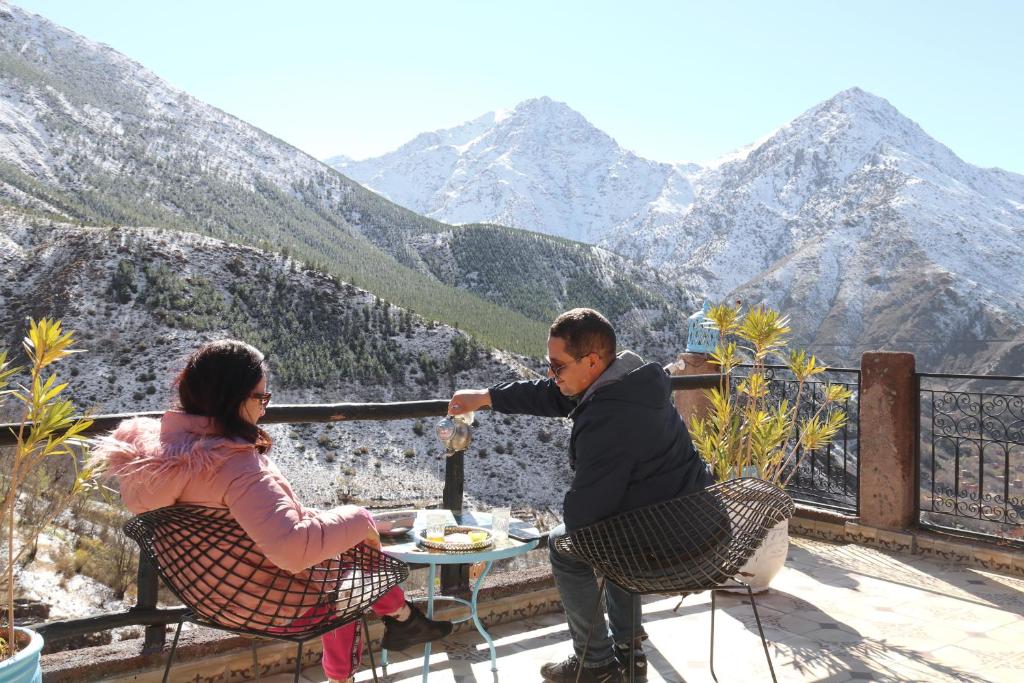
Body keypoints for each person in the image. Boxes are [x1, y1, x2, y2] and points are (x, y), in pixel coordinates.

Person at [92, 339, 451, 683]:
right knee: (348, 567)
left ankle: (405, 618)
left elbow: (248, 525)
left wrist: (324, 521)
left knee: (340, 551)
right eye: (261, 396)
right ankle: (378, 640)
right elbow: (292, 549)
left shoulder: (154, 464)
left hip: (209, 598)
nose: (265, 407)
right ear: (232, 398)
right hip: (272, 606)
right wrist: (361, 519)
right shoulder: (233, 466)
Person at [449, 308, 713, 683]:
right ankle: (628, 652)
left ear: (591, 361)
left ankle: (595, 663)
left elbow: (583, 518)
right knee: (613, 531)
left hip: (675, 546)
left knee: (567, 544)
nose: (549, 375)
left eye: (557, 367)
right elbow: (554, 397)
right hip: (698, 523)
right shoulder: (628, 384)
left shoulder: (610, 419)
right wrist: (488, 396)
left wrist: (569, 507)